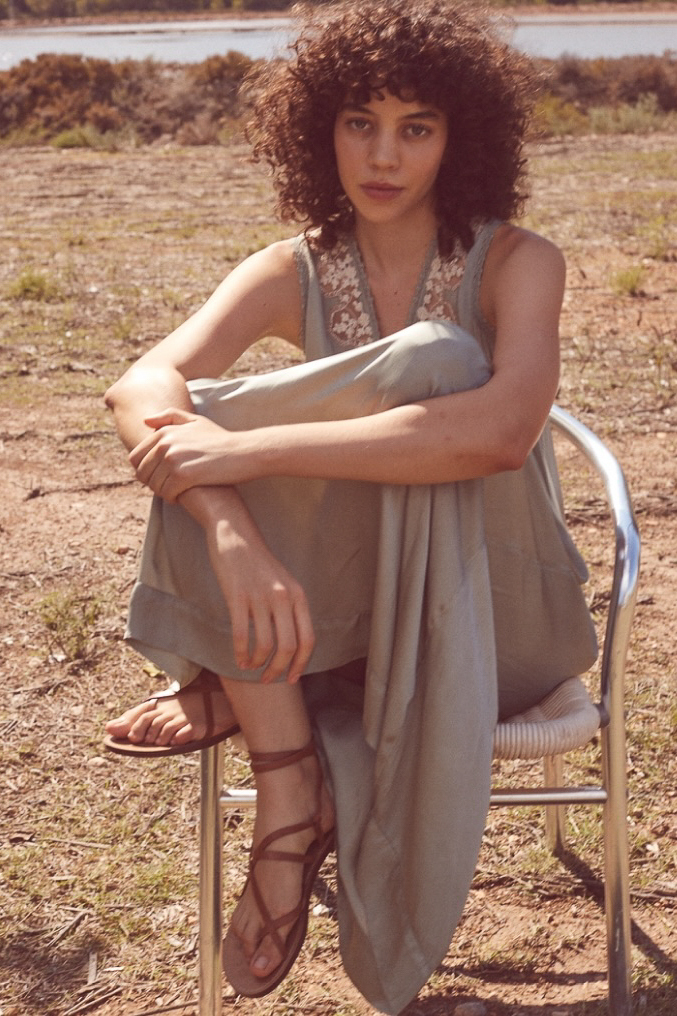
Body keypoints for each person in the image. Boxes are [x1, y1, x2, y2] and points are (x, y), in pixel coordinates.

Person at [103, 1, 598, 1011]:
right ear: (317, 129)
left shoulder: (518, 263)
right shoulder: (293, 268)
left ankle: (244, 690)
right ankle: (290, 788)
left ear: (459, 137)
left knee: (431, 360)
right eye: (358, 123)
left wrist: (243, 449)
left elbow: (500, 433)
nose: (381, 155)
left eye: (416, 127)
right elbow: (138, 386)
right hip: (352, 618)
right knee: (191, 416)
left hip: (497, 621)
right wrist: (231, 531)